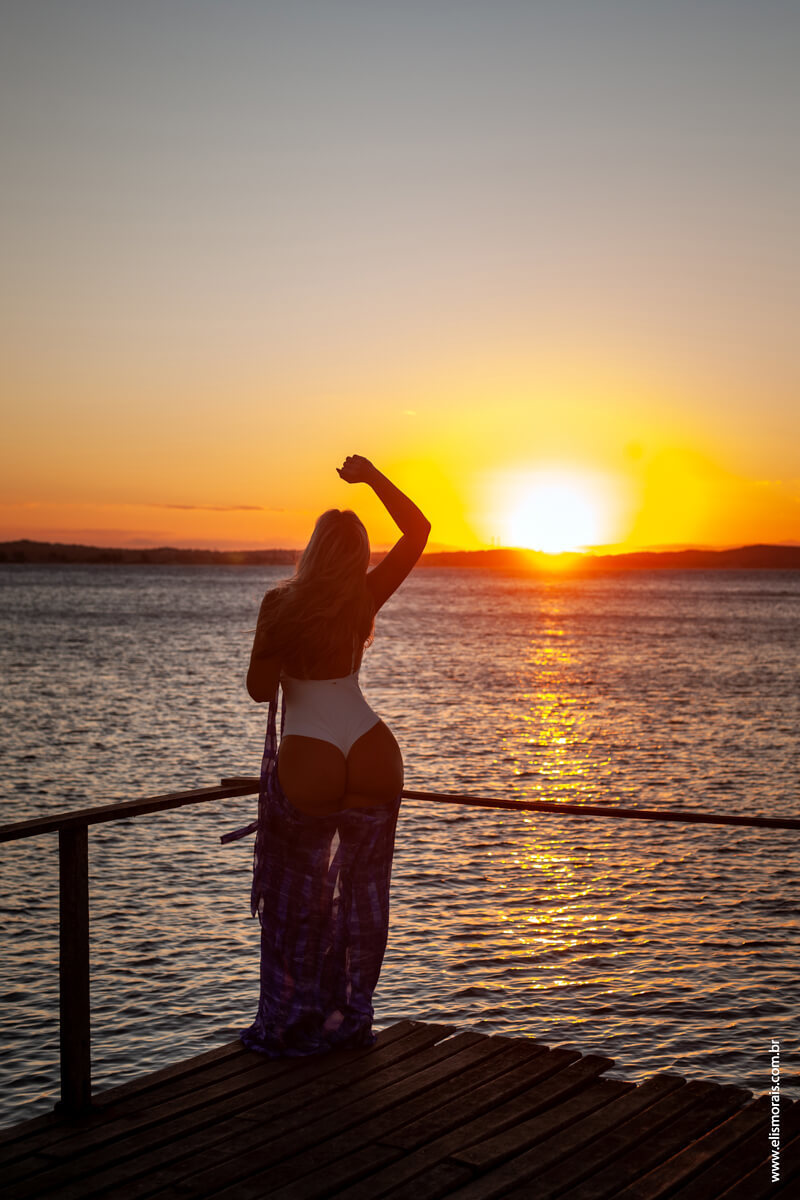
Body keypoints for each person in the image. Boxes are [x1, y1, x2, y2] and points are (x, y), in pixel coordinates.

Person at [234, 455, 430, 1057]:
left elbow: (261, 691)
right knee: (364, 901)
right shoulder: (366, 596)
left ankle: (293, 1022)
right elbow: (419, 529)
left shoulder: (281, 603)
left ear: (312, 551)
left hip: (311, 755)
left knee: (298, 903)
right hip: (373, 748)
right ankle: (347, 1017)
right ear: (357, 555)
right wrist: (372, 478)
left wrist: (282, 638)